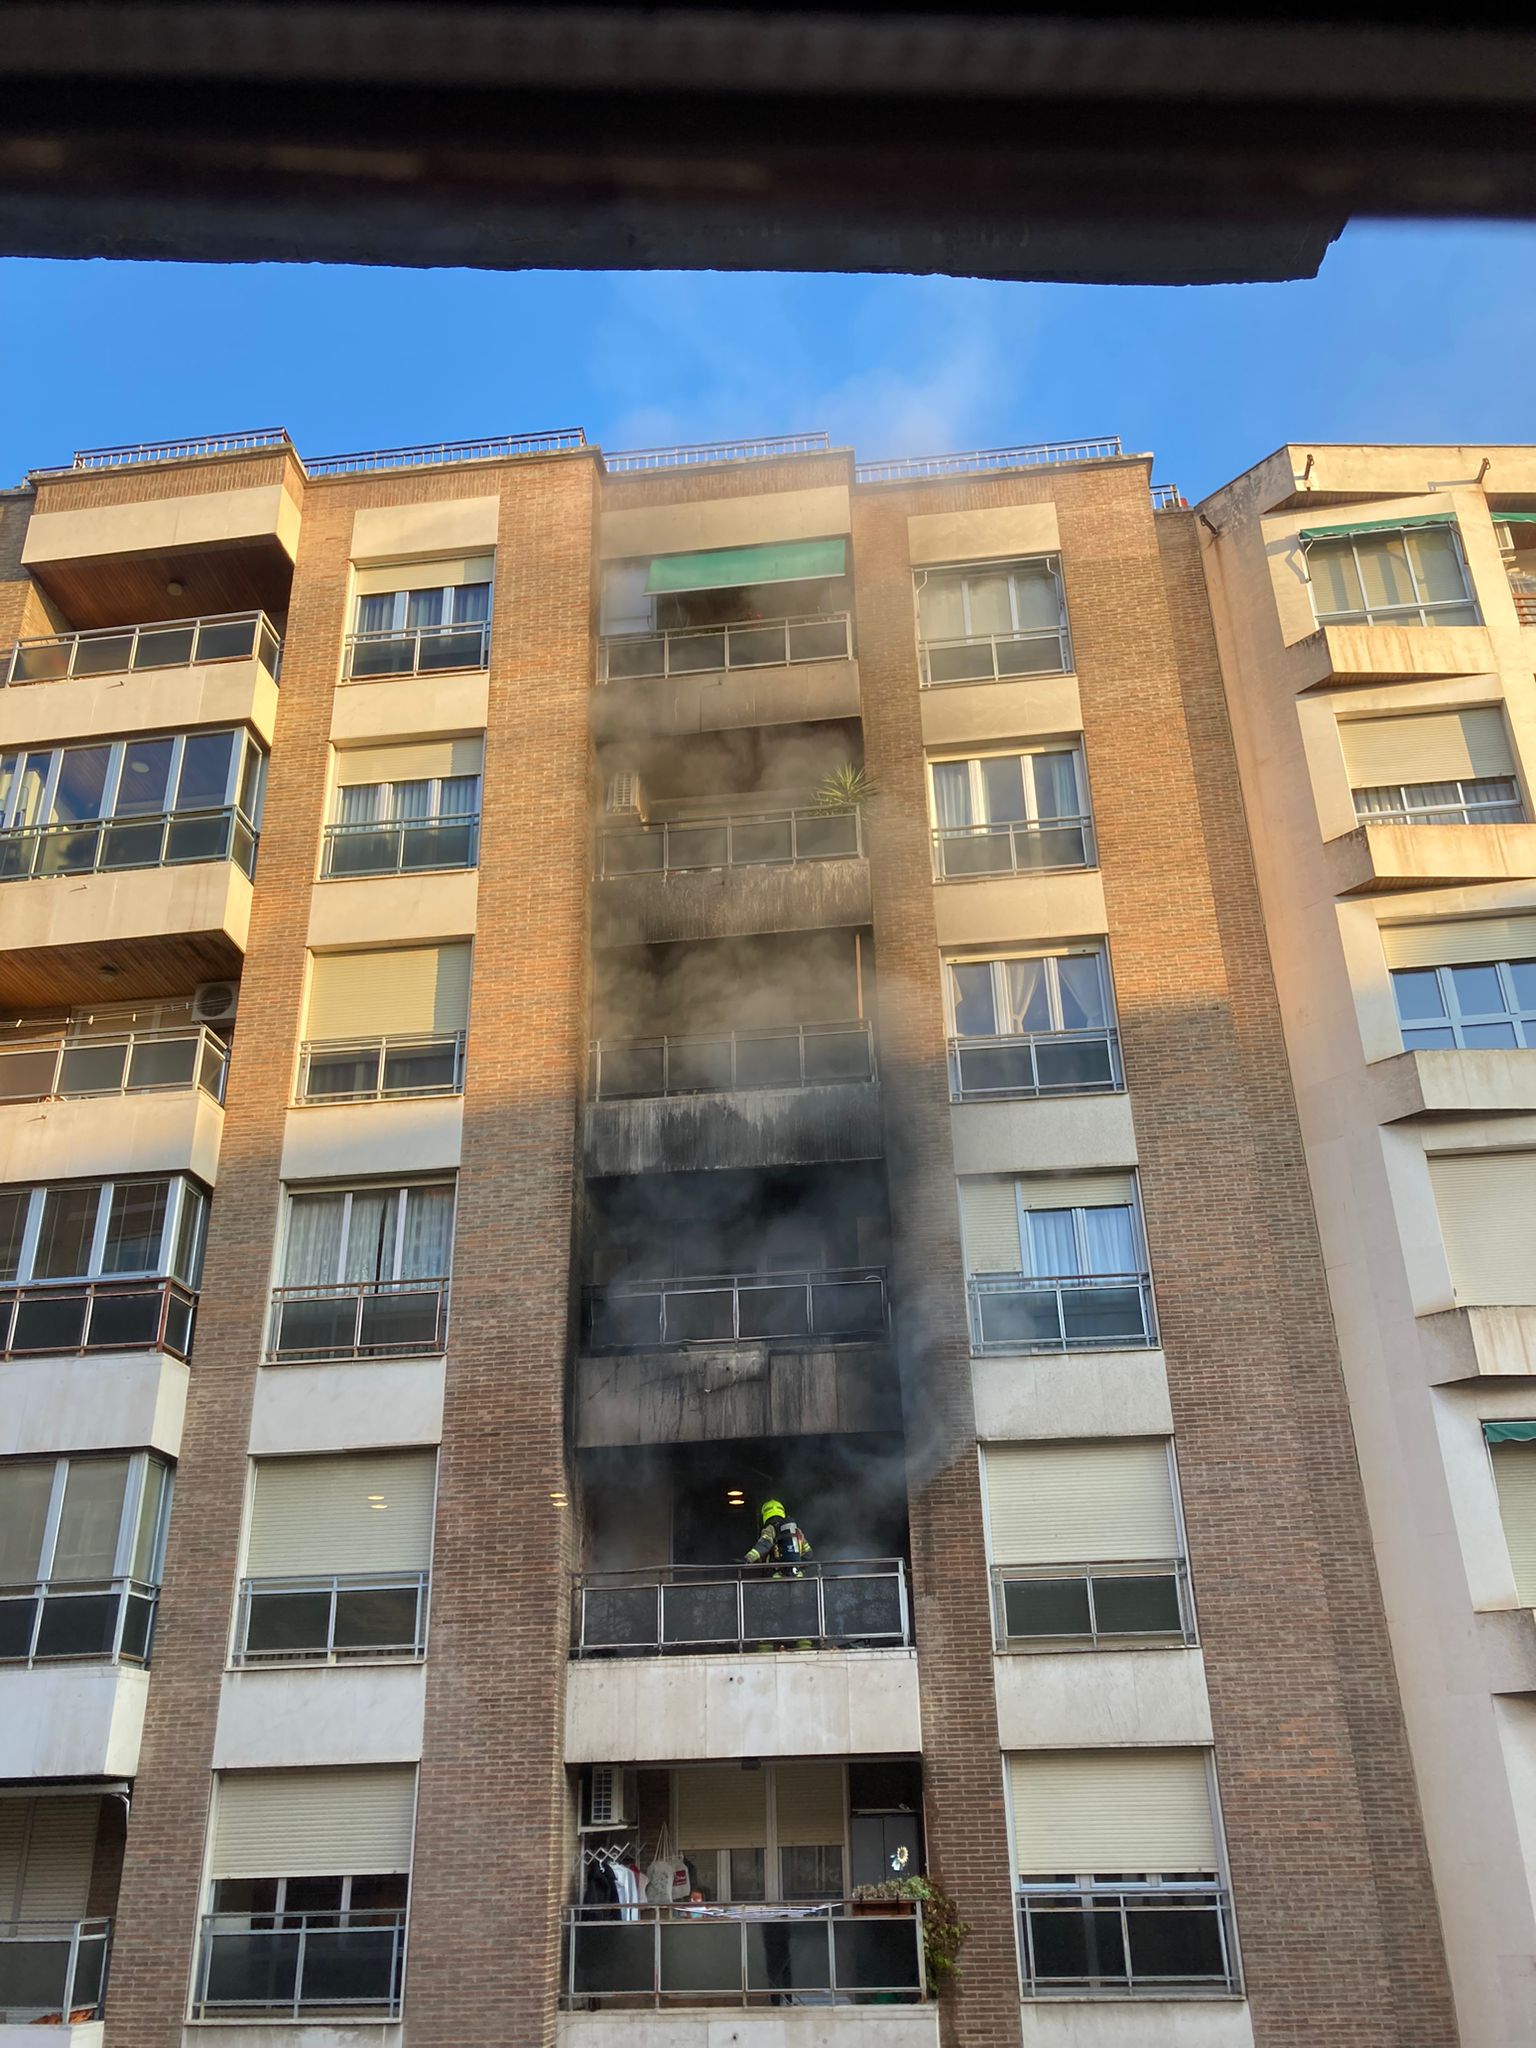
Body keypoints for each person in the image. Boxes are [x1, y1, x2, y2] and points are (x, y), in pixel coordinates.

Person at [744, 1499, 814, 1651]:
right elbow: (809, 1555)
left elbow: (764, 1545)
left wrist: (748, 1559)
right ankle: (804, 1644)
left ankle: (766, 1645)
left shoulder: (770, 1528)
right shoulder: (796, 1531)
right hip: (798, 1579)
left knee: (770, 1610)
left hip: (776, 1579)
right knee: (798, 1610)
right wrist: (795, 1568)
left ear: (765, 1514)